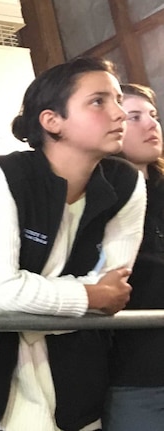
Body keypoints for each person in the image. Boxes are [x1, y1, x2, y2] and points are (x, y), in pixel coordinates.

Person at [0, 56, 146, 431]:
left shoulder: (125, 183)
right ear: (52, 121)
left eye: (116, 99)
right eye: (98, 101)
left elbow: (114, 291)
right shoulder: (0, 175)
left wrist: (12, 306)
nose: (119, 114)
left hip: (76, 379)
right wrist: (86, 298)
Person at [104, 83, 164, 430]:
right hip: (136, 378)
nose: (151, 124)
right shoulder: (98, 200)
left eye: (153, 116)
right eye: (134, 116)